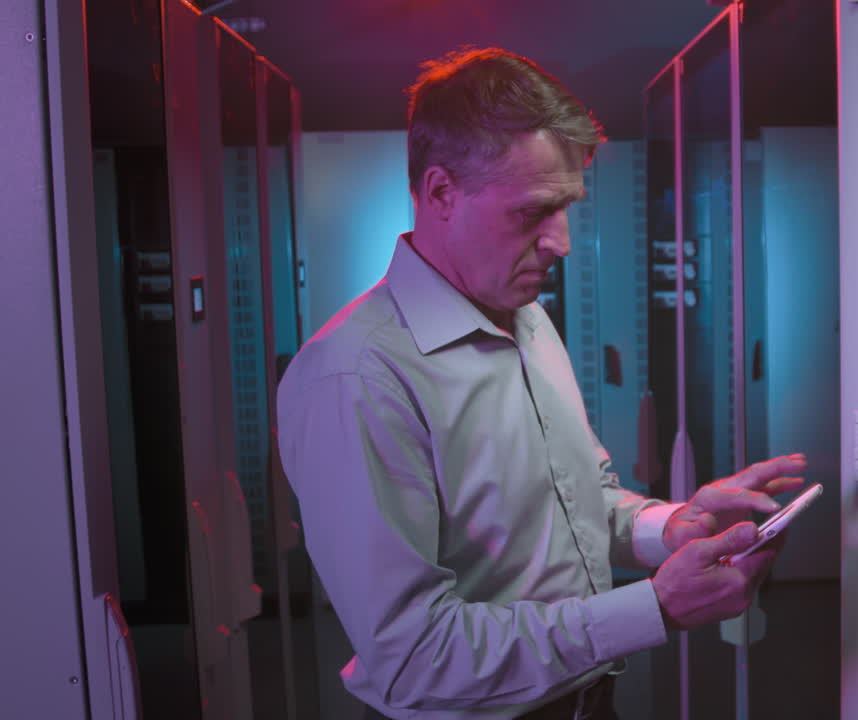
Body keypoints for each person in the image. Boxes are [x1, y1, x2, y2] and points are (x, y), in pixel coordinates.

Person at [277, 47, 808, 720]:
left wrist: (676, 525)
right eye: (533, 212)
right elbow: (413, 656)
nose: (560, 241)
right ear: (440, 193)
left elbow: (578, 501)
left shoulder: (526, 317)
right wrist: (654, 607)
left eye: (568, 208)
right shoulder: (356, 376)